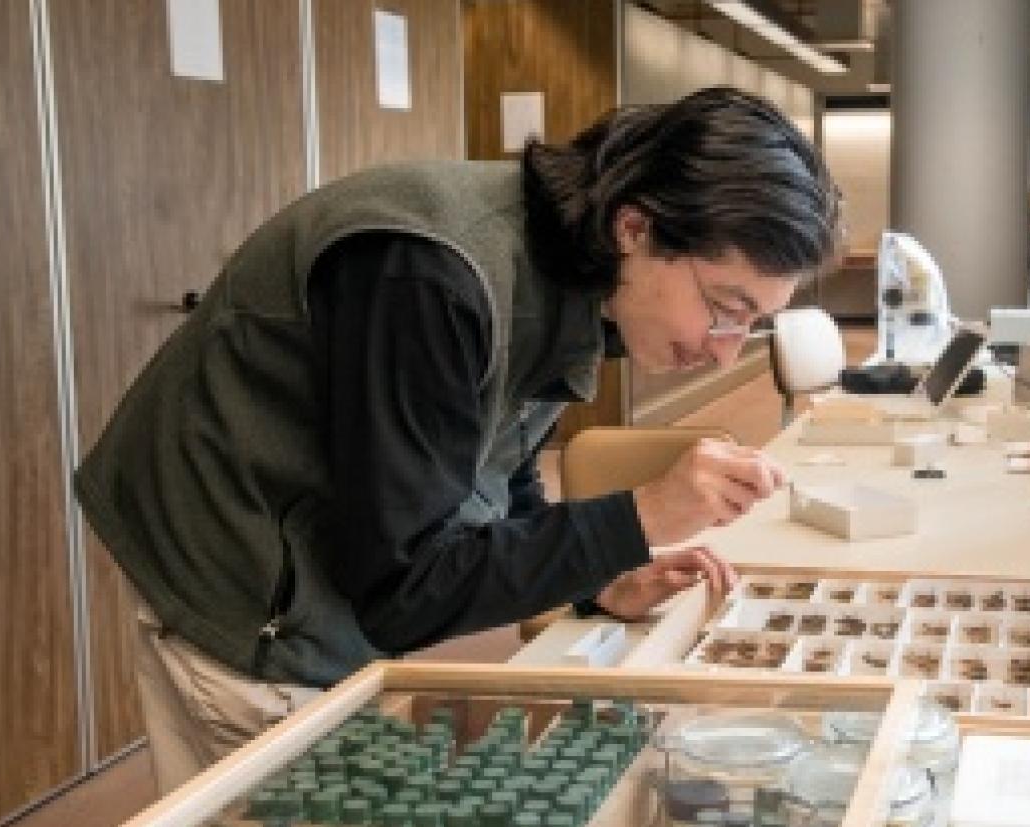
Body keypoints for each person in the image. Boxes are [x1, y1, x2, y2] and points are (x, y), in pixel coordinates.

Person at [75, 86, 842, 793]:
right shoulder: (433, 277)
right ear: (635, 226)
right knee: (285, 783)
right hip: (236, 566)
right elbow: (402, 591)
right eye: (724, 307)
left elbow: (498, 471)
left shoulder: (574, 272)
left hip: (334, 552)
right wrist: (636, 517)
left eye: (752, 323)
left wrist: (595, 577)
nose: (723, 348)